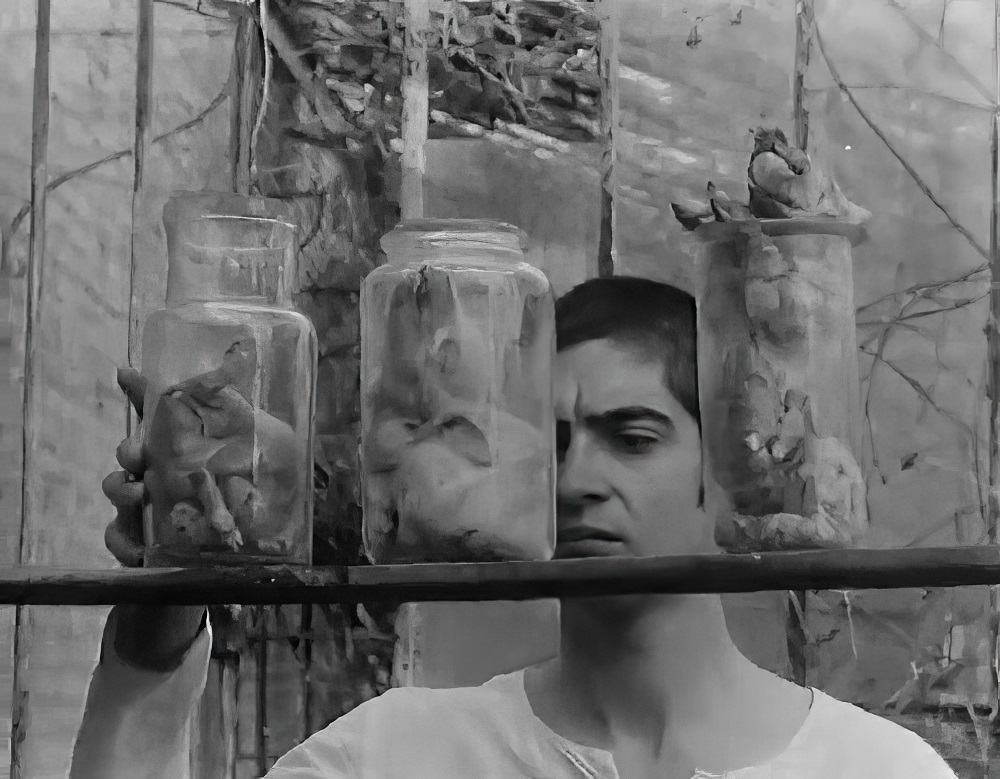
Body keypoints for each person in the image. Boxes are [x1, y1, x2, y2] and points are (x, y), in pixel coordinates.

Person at [71, 277, 956, 778]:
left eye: (632, 436)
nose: (576, 477)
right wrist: (156, 633)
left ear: (726, 467)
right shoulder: (395, 756)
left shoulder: (877, 770)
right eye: (551, 440)